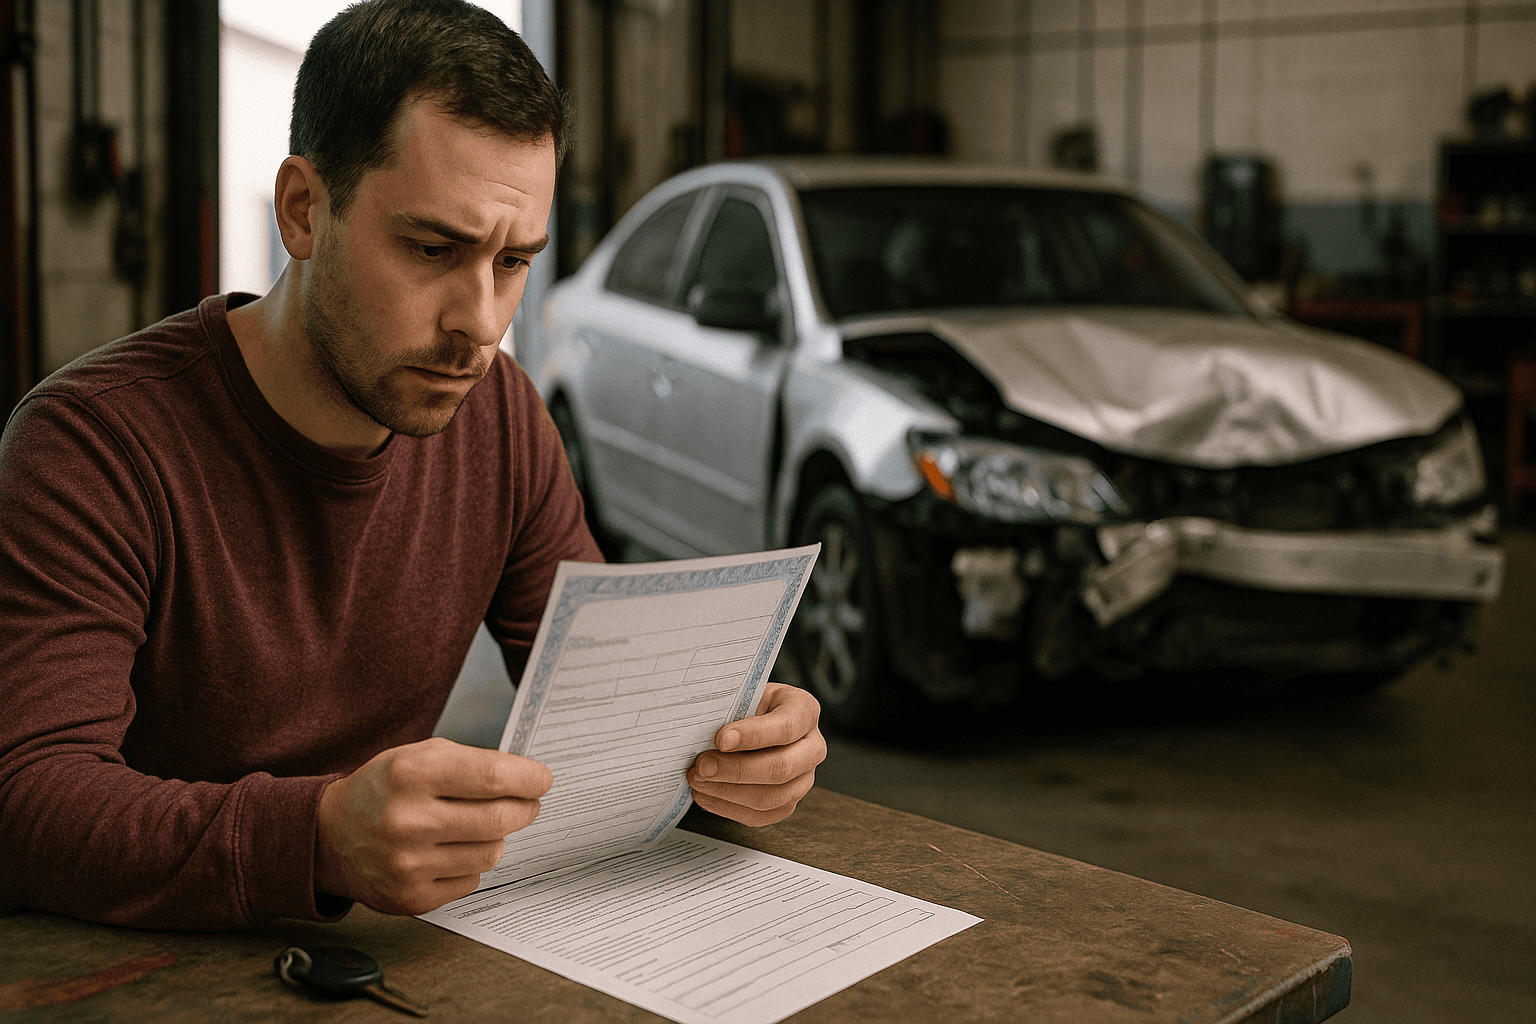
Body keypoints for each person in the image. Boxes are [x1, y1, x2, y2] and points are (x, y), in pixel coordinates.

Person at [0, 0, 824, 931]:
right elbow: (28, 799)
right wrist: (314, 838)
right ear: (304, 211)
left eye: (514, 261)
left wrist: (729, 749)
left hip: (369, 961)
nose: (480, 321)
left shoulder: (500, 415)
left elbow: (610, 701)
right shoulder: (92, 446)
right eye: (435, 249)